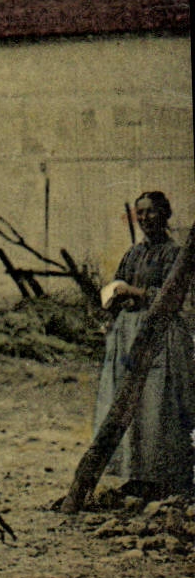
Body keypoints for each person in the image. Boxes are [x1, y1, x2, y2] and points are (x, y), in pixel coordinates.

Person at [93, 190, 193, 500]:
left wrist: (132, 292)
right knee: (126, 402)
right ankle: (135, 474)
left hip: (160, 333)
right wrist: (110, 299)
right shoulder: (132, 254)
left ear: (165, 215)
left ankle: (160, 476)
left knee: (156, 402)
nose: (146, 218)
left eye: (151, 212)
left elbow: (171, 297)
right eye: (141, 213)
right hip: (127, 333)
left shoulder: (174, 254)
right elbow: (115, 286)